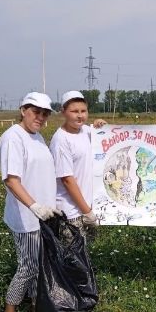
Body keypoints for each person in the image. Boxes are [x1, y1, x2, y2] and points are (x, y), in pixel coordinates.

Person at [0, 92, 59, 312]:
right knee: (28, 267)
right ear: (23, 110)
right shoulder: (14, 137)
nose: (41, 117)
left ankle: (36, 311)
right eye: (36, 111)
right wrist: (35, 207)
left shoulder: (38, 137)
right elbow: (11, 180)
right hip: (27, 217)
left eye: (45, 113)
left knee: (39, 266)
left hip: (43, 218)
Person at [49, 90, 106, 244]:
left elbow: (107, 145)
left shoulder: (87, 131)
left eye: (83, 111)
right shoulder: (61, 140)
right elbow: (67, 179)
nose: (80, 115)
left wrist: (102, 128)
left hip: (89, 208)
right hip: (72, 212)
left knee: (88, 256)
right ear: (63, 112)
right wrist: (86, 211)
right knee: (74, 260)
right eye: (74, 111)